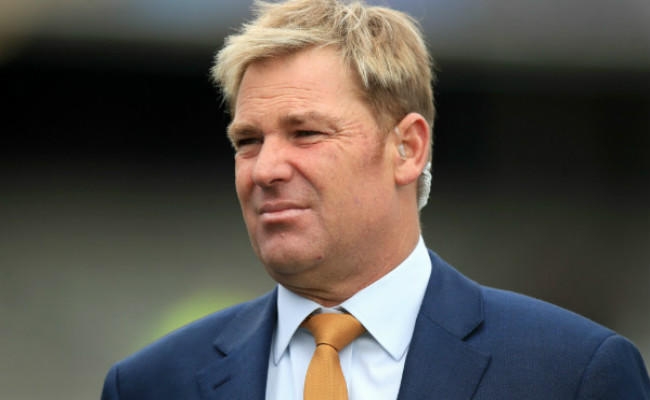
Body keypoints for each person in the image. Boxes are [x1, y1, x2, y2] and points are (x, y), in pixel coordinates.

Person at [101, 0, 650, 399]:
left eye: (306, 133)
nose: (265, 169)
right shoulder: (152, 384)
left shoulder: (572, 374)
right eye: (248, 141)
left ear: (407, 148)